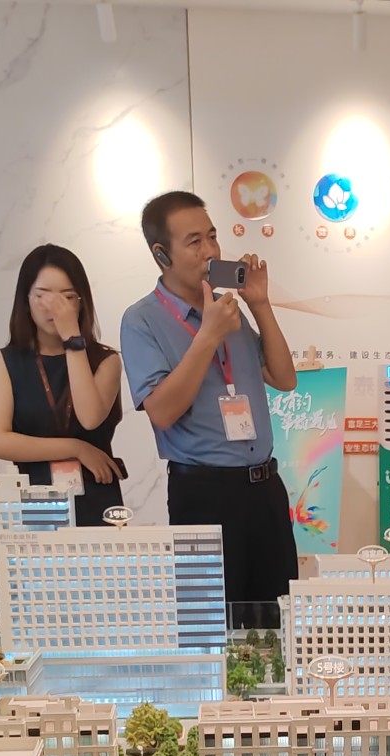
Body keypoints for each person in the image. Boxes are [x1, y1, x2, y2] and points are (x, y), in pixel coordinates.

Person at [120, 192, 295, 627]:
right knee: (209, 629)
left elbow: (284, 377)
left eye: (212, 237)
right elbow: (162, 412)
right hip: (203, 494)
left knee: (274, 626)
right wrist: (208, 336)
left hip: (265, 489)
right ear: (161, 254)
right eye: (194, 242)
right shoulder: (141, 320)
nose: (210, 251)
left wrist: (260, 304)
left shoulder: (230, 310)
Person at [0, 244, 124, 525]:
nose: (54, 307)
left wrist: (72, 339)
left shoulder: (106, 361)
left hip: (97, 499)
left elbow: (89, 418)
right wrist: (76, 448)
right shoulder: (6, 361)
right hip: (34, 499)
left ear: (82, 302)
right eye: (42, 295)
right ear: (26, 299)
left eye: (67, 297)